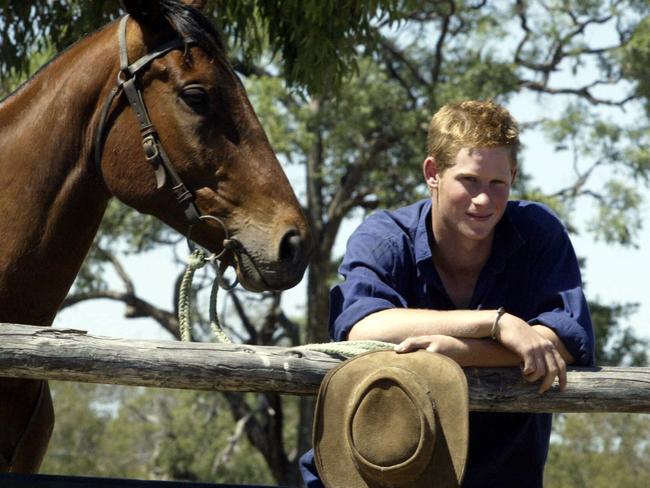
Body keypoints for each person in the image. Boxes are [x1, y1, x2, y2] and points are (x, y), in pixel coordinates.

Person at [300, 100, 595, 487]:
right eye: (469, 181)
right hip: (375, 477)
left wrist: (456, 351)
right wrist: (496, 324)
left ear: (514, 177)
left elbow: (566, 341)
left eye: (497, 184)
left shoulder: (539, 233)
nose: (483, 200)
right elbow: (364, 327)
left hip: (502, 476)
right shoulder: (384, 237)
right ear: (432, 173)